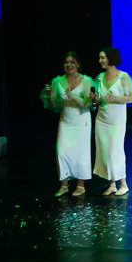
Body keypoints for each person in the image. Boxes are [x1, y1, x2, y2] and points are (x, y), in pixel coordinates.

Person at [41, 51, 94, 197]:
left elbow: (87, 104)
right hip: (65, 120)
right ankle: (64, 185)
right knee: (62, 152)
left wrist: (73, 96)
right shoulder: (57, 81)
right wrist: (51, 97)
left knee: (81, 154)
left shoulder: (86, 80)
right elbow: (55, 107)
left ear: (78, 64)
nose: (69, 65)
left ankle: (80, 186)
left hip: (81, 120)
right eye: (66, 62)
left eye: (72, 62)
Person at [93, 47, 132, 196]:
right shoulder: (100, 77)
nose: (100, 61)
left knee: (115, 151)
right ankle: (111, 184)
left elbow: (130, 98)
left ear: (110, 58)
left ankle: (123, 184)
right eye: (100, 58)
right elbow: (99, 99)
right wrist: (95, 99)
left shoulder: (123, 77)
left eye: (103, 58)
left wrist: (115, 98)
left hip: (116, 121)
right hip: (102, 119)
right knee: (104, 151)